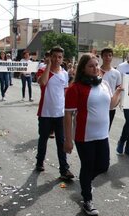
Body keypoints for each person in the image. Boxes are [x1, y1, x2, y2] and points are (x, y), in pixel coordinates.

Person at [64, 53, 122, 216]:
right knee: (88, 166)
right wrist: (68, 140)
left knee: (103, 166)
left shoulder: (103, 84)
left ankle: (85, 184)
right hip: (84, 136)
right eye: (91, 65)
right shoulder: (75, 88)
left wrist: (118, 92)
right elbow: (67, 115)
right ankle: (87, 199)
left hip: (102, 135)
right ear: (82, 69)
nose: (96, 68)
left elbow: (110, 105)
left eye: (96, 65)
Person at [34, 46, 74, 180]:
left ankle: (64, 170)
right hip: (45, 113)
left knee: (61, 142)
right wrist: (48, 66)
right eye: (54, 56)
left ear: (62, 59)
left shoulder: (64, 73)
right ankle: (39, 162)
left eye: (60, 57)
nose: (57, 59)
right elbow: (43, 82)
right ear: (50, 57)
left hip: (60, 114)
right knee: (43, 139)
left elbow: (65, 93)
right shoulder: (43, 70)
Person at [99, 47, 122, 130]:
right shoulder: (96, 71)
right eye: (105, 55)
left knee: (106, 130)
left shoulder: (116, 73)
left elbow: (119, 90)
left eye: (110, 55)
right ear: (102, 57)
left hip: (110, 107)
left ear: (112, 57)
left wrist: (116, 102)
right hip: (98, 105)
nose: (108, 57)